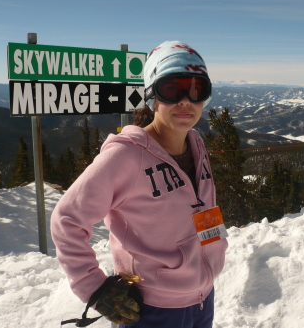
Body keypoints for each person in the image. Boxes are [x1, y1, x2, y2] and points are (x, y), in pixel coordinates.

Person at [51, 41, 228, 328]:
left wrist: (214, 250)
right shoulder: (127, 156)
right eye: (171, 89)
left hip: (202, 298)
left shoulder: (196, 143)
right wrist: (93, 287)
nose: (186, 101)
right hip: (152, 310)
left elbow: (203, 206)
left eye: (197, 89)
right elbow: (66, 219)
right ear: (151, 95)